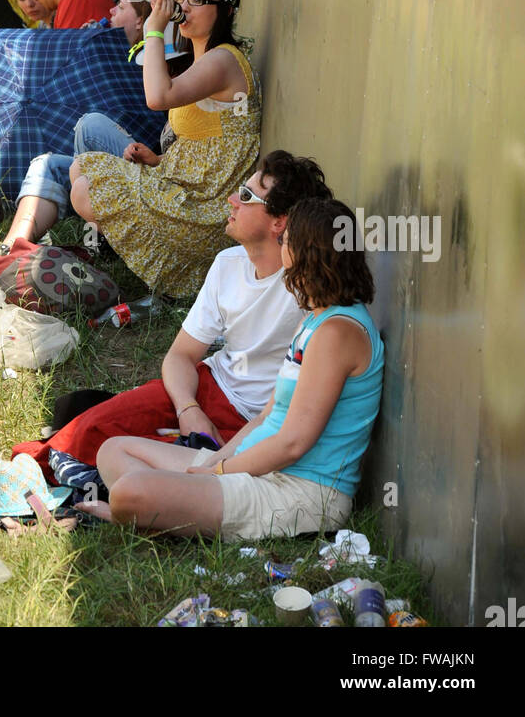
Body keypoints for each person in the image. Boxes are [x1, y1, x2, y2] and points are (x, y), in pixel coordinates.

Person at [12, 152, 332, 489]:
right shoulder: (228, 263)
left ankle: (92, 481)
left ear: (278, 222)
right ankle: (48, 476)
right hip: (204, 387)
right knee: (86, 430)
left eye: (248, 196)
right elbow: (181, 355)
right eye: (240, 189)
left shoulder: (304, 288)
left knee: (151, 467)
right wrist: (188, 408)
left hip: (250, 425)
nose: (232, 200)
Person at [82, 197, 384, 541]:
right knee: (114, 450)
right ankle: (158, 515)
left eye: (285, 240)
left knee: (127, 492)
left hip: (301, 492)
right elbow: (267, 418)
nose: (280, 247)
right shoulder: (316, 319)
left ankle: (140, 514)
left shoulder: (337, 332)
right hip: (258, 469)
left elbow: (293, 445)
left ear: (302, 254)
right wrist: (215, 463)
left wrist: (218, 474)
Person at [69, 0, 261, 298]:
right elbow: (208, 145)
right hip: (185, 185)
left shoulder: (224, 61)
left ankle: (155, 261)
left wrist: (154, 30)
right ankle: (141, 254)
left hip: (207, 211)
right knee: (79, 168)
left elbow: (157, 98)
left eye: (197, 0)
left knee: (84, 188)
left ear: (225, 11)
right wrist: (157, 159)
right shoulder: (203, 59)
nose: (183, 7)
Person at [2, 0, 154, 248]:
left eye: (122, 7)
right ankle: (12, 246)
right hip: (109, 167)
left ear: (141, 20)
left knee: (89, 126)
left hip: (140, 161)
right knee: (45, 163)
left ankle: (98, 239)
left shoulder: (148, 57)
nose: (111, 10)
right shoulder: (109, 47)